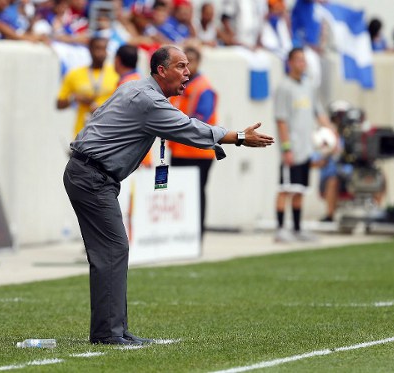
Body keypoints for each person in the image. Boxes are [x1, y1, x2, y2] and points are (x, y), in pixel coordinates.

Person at [63, 45, 274, 345]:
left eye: (188, 66)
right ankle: (108, 334)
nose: (187, 72)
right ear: (161, 71)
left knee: (113, 251)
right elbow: (188, 128)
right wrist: (239, 137)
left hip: (91, 174)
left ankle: (115, 330)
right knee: (112, 250)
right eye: (181, 66)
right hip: (91, 177)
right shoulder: (148, 100)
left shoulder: (136, 89)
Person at [274, 47, 329, 242]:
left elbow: (319, 113)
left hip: (307, 148)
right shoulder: (284, 88)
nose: (301, 64)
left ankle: (297, 228)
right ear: (290, 62)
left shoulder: (308, 86)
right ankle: (280, 229)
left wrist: (332, 133)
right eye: (298, 60)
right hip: (292, 148)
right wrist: (286, 147)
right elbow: (281, 120)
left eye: (303, 60)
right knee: (286, 187)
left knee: (300, 189)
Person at [168, 45, 217, 239]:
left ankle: (197, 234)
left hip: (199, 153)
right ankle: (182, 233)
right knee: (180, 195)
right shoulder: (178, 86)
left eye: (189, 62)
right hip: (179, 150)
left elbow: (201, 119)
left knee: (196, 193)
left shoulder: (203, 87)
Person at [56, 36, 119, 139]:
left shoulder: (116, 74)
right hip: (83, 134)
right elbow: (59, 104)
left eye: (104, 49)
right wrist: (74, 98)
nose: (101, 53)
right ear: (89, 49)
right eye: (97, 48)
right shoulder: (74, 74)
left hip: (109, 134)